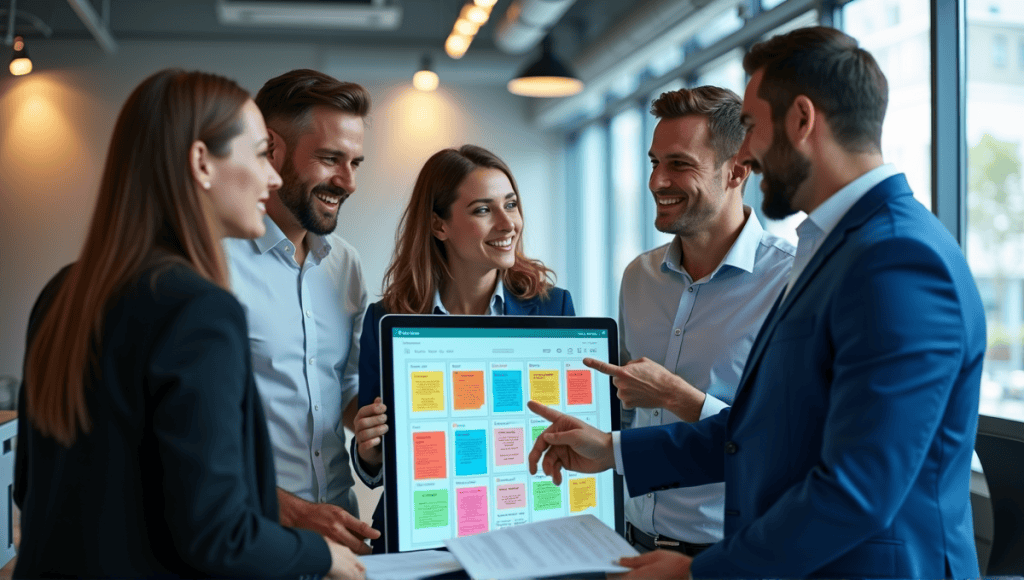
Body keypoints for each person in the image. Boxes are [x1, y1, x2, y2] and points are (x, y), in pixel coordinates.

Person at [528, 25, 985, 579]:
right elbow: (763, 430)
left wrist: (700, 573)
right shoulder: (839, 246)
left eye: (749, 126)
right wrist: (615, 451)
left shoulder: (897, 258)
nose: (743, 152)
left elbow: (858, 490)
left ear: (801, 120)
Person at [13, 69, 363, 579]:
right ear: (202, 162)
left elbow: (31, 485)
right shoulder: (199, 308)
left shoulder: (64, 289)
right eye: (261, 154)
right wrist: (323, 557)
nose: (270, 178)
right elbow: (218, 533)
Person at [351, 145, 575, 551]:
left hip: (522, 527)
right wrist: (368, 453)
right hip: (423, 534)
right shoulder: (387, 319)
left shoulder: (553, 307)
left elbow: (567, 431)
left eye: (511, 204)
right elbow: (379, 461)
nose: (509, 223)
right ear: (439, 226)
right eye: (483, 210)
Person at [607, 86, 793, 557]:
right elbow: (628, 411)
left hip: (728, 558)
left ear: (737, 170)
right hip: (632, 548)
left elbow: (785, 443)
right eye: (654, 163)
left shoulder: (791, 283)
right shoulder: (639, 277)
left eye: (679, 164)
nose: (657, 181)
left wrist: (674, 394)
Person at [224, 69, 379, 554]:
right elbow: (189, 438)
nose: (348, 182)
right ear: (272, 149)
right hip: (250, 535)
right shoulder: (214, 263)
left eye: (355, 162)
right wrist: (294, 512)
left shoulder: (346, 265)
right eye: (330, 159)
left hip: (339, 530)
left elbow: (345, 386)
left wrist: (383, 423)